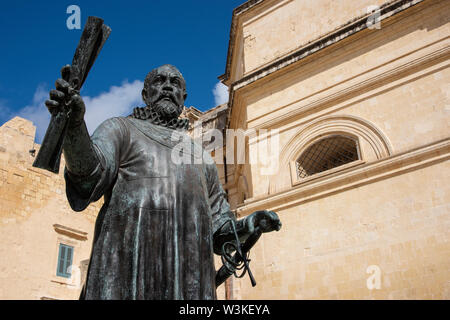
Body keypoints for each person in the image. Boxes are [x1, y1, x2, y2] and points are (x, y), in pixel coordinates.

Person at [45, 64, 281, 300]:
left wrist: (249, 225)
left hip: (189, 284)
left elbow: (220, 228)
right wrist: (74, 125)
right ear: (145, 94)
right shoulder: (120, 129)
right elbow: (89, 176)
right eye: (159, 81)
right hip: (126, 275)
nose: (168, 86)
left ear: (183, 97)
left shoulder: (201, 158)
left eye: (175, 83)